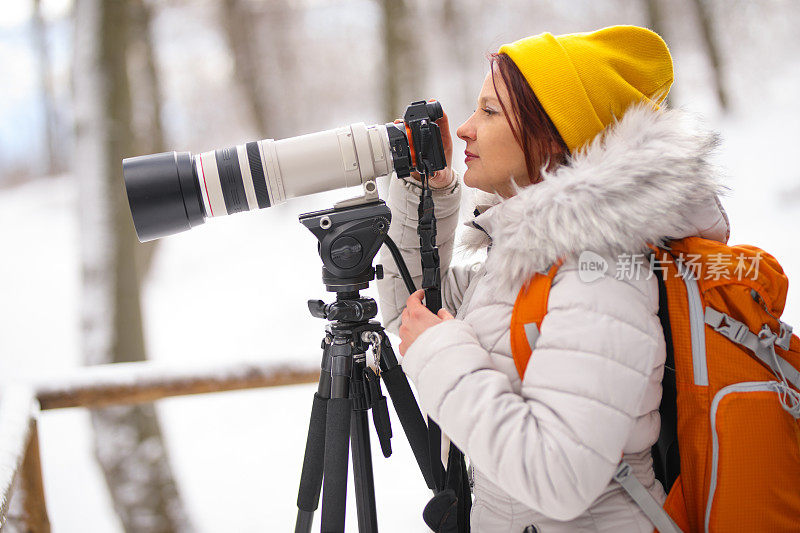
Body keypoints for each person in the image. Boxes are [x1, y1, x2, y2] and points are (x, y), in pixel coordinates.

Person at [376, 25, 730, 532]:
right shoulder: (521, 260)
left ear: (552, 132)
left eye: (490, 111)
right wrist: (423, 192)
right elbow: (407, 310)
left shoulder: (600, 273)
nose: (464, 129)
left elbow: (559, 478)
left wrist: (439, 351)